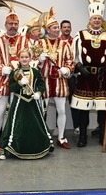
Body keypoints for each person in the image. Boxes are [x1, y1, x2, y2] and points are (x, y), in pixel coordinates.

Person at [71, 0, 106, 147]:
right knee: (83, 110)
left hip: (102, 77)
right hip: (85, 76)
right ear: (90, 19)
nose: (97, 21)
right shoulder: (79, 35)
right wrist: (79, 67)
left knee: (103, 110)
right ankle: (83, 136)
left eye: (99, 18)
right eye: (94, 18)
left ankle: (102, 136)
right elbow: (73, 56)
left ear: (102, 20)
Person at [0, 7, 30, 153]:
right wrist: (1, 69)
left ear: (18, 25)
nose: (13, 26)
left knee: (19, 111)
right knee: (0, 111)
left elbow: (33, 58)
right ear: (5, 25)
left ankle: (16, 139)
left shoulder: (25, 41)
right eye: (10, 23)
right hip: (3, 82)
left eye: (15, 24)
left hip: (21, 82)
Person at [0, 48, 53, 160]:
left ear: (30, 58)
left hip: (32, 103)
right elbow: (11, 88)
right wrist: (19, 83)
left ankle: (37, 148)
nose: (24, 59)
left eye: (26, 57)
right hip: (19, 103)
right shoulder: (15, 73)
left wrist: (38, 92)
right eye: (22, 57)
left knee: (36, 124)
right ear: (19, 59)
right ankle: (7, 148)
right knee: (15, 124)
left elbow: (41, 85)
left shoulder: (36, 72)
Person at [38, 8, 74, 149]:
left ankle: (61, 137)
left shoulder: (65, 44)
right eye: (54, 27)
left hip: (59, 81)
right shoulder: (40, 44)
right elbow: (32, 61)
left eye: (58, 27)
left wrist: (68, 68)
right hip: (45, 80)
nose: (58, 29)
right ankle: (42, 137)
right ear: (48, 29)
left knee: (62, 110)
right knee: (42, 110)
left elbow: (70, 60)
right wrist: (40, 60)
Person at [60, 20, 80, 135]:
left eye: (68, 27)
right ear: (61, 29)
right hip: (60, 77)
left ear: (71, 29)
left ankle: (76, 125)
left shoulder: (75, 42)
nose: (66, 29)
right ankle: (59, 127)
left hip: (72, 77)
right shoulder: (57, 42)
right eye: (64, 27)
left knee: (74, 101)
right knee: (60, 102)